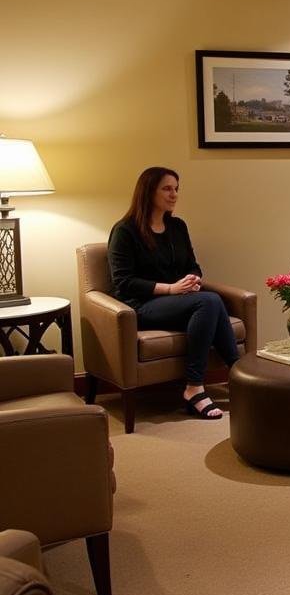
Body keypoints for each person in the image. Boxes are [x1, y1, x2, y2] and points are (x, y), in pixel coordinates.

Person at [108, 167, 239, 420]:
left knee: (211, 303)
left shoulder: (177, 226)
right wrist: (170, 288)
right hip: (142, 305)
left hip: (179, 301)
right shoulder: (125, 231)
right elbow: (124, 282)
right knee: (211, 301)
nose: (174, 194)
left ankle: (236, 376)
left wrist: (192, 279)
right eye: (167, 188)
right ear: (148, 192)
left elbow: (192, 264)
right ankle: (196, 386)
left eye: (176, 189)